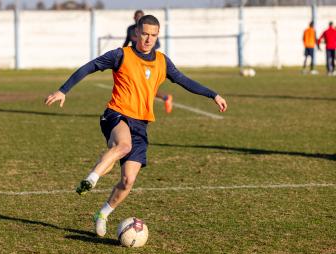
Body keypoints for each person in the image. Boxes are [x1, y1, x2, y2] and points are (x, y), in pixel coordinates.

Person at [45, 15, 227, 237]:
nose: (149, 39)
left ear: (157, 35)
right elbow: (90, 66)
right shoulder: (121, 55)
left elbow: (184, 80)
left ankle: (102, 214)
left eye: (153, 35)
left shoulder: (162, 61)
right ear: (136, 34)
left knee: (127, 180)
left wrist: (213, 94)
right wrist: (63, 90)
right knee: (123, 145)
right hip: (116, 114)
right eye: (145, 34)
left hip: (141, 123)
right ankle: (91, 179)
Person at [123, 10, 172, 113]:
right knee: (137, 85)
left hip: (147, 61)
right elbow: (127, 41)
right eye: (137, 17)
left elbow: (157, 44)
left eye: (140, 17)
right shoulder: (130, 29)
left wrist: (148, 49)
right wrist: (122, 55)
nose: (138, 18)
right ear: (134, 18)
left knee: (144, 86)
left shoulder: (149, 30)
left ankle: (165, 98)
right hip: (133, 59)